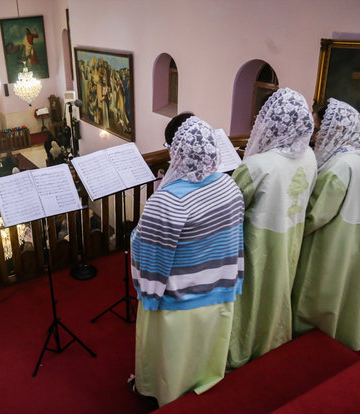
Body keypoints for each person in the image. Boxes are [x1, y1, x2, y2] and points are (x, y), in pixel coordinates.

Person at [129, 116, 244, 407]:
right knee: (203, 353)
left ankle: (165, 394)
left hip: (178, 301)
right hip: (219, 290)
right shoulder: (230, 186)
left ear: (176, 153)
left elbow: (150, 261)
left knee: (172, 360)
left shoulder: (167, 201)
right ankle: (203, 383)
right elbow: (234, 240)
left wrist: (135, 237)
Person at [227, 88, 317, 369]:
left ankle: (243, 346)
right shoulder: (310, 156)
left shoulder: (256, 165)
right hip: (291, 232)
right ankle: (273, 338)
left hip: (257, 240)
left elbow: (231, 207)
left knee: (251, 297)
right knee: (278, 288)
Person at [292, 98, 360, 351]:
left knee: (315, 288)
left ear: (335, 128)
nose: (315, 136)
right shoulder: (355, 156)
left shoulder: (339, 165)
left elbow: (317, 214)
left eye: (317, 129)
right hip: (350, 233)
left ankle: (308, 338)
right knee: (339, 289)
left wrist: (292, 227)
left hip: (330, 237)